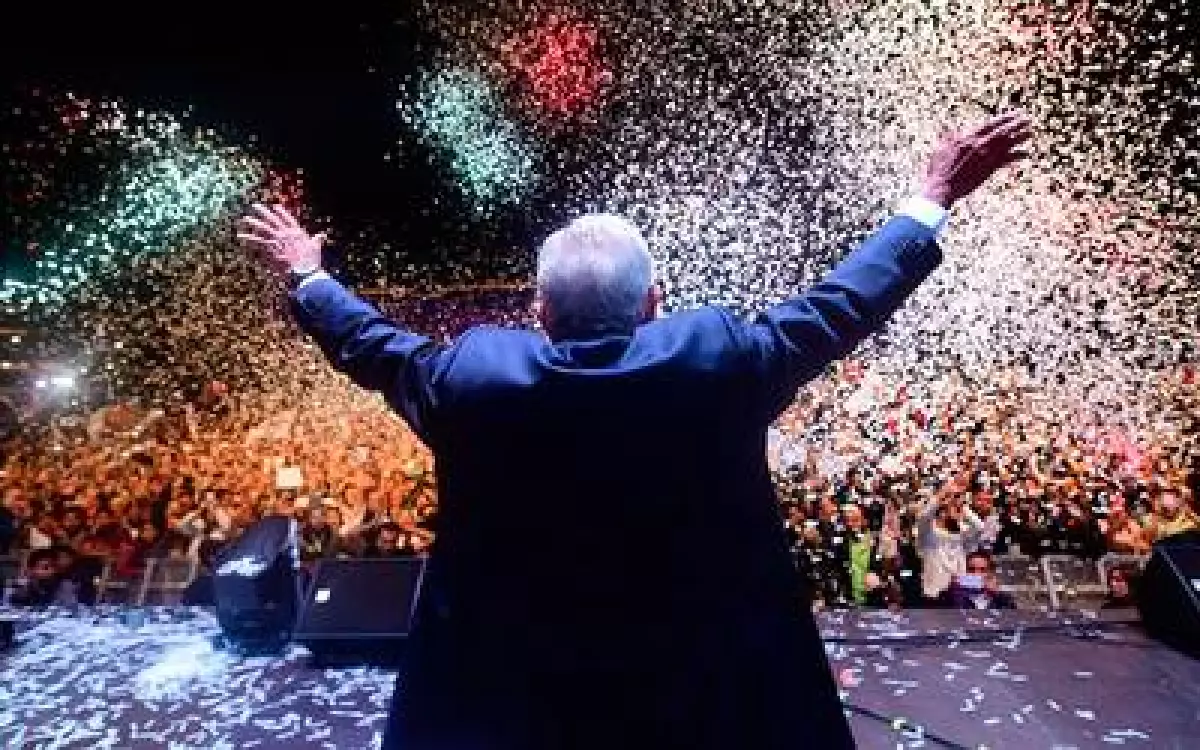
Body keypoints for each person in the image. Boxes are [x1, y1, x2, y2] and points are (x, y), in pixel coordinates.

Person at [238, 112, 1033, 750]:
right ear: (655, 302)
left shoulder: (473, 382)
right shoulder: (719, 363)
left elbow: (373, 345)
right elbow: (840, 305)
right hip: (707, 693)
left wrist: (309, 272)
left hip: (512, 698)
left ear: (539, 315)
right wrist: (933, 194)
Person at [934, 549, 1016, 610]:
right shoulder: (953, 596)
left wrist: (997, 595)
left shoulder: (1003, 599)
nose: (976, 574)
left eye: (982, 570)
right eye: (971, 569)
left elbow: (1011, 620)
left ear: (991, 573)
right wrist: (951, 591)